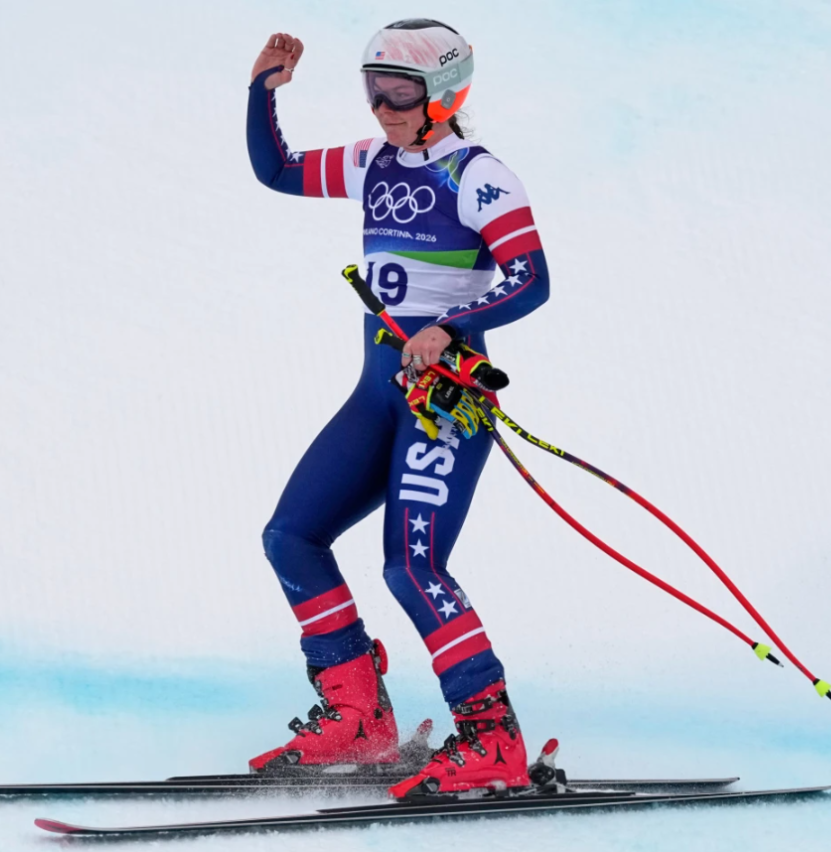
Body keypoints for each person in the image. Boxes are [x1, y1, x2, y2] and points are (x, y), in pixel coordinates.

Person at [245, 19, 550, 796]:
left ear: (446, 94)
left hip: (447, 405)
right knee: (291, 537)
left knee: (412, 567)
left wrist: (450, 328)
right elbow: (275, 171)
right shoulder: (371, 163)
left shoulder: (479, 178)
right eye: (372, 91)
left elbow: (531, 278)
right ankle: (359, 717)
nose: (382, 109)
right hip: (377, 400)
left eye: (400, 93)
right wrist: (262, 92)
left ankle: (491, 739)